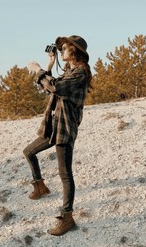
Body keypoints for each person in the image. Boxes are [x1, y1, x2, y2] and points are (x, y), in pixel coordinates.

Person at [24, 35, 92, 236]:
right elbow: (52, 89)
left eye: (64, 48)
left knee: (65, 174)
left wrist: (38, 70)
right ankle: (40, 187)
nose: (61, 50)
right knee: (28, 152)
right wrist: (50, 64)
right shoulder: (70, 71)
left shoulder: (80, 74)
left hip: (65, 128)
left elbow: (56, 87)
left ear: (74, 51)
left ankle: (67, 218)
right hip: (53, 127)